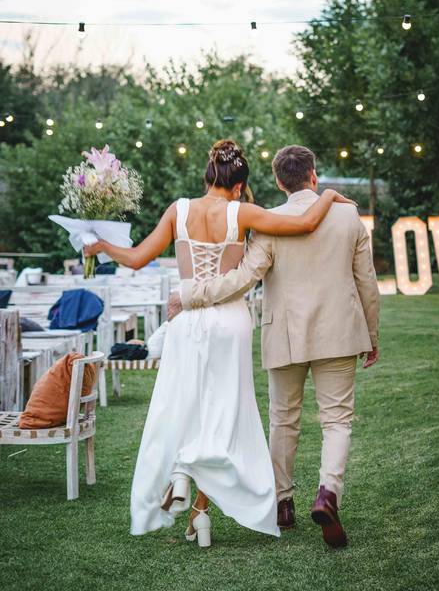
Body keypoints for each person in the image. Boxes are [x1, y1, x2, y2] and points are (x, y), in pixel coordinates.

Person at [83, 139, 354, 547]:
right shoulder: (242, 212)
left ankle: (179, 479)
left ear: (208, 176)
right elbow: (304, 224)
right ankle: (199, 510)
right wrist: (328, 193)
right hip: (229, 320)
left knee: (182, 407)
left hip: (187, 321)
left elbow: (138, 257)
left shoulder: (179, 210)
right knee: (222, 414)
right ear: (241, 185)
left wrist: (101, 246)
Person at [167, 144, 380, 549]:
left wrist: (192, 294)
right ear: (313, 176)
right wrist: (372, 335)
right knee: (336, 420)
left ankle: (283, 503)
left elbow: (244, 278)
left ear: (280, 181)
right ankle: (328, 493)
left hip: (283, 333)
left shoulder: (267, 220)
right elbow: (367, 281)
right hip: (339, 333)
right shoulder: (348, 214)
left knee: (283, 419)